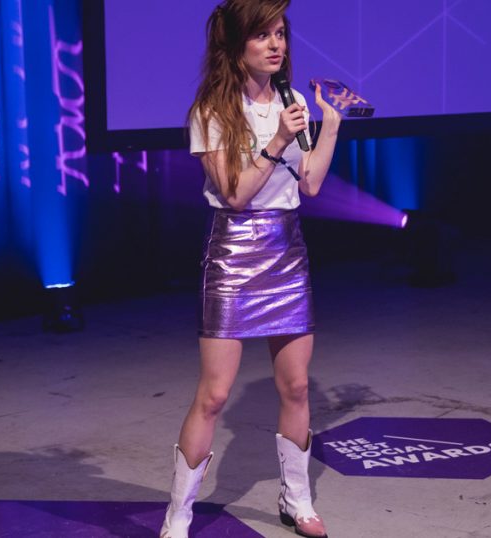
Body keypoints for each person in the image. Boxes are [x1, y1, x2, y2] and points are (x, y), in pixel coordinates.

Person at [159, 1, 341, 537]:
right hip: (234, 252)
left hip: (287, 248)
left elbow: (310, 184)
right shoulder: (211, 111)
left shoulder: (293, 101)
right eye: (262, 35)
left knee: (297, 386)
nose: (275, 44)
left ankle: (297, 501)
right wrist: (278, 139)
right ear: (236, 45)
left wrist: (329, 125)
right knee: (214, 394)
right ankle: (178, 515)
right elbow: (235, 194)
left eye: (280, 33)